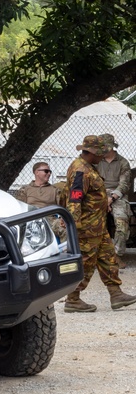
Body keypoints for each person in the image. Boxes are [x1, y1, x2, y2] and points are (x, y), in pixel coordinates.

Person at [63, 135, 136, 313]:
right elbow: (75, 200)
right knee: (87, 263)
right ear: (91, 153)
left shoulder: (89, 167)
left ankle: (116, 294)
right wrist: (74, 228)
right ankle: (73, 299)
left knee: (108, 258)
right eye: (100, 153)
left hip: (98, 225)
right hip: (87, 228)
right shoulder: (81, 171)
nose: (103, 156)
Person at [97, 134, 132, 264]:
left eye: (103, 147)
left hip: (118, 196)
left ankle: (117, 254)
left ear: (110, 147)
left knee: (122, 223)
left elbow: (124, 184)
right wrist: (102, 198)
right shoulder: (96, 161)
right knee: (92, 222)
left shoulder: (123, 162)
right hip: (98, 195)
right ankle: (95, 254)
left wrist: (111, 199)